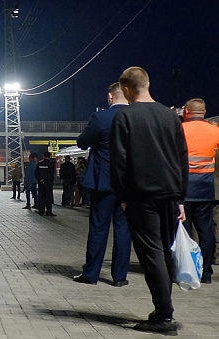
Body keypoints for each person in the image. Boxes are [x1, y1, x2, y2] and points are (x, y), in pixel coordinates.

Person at [110, 67, 188, 334]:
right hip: (169, 195)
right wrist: (181, 199)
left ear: (127, 90)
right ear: (148, 84)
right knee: (163, 253)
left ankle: (164, 316)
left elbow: (119, 161)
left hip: (141, 196)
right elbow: (182, 159)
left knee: (151, 255)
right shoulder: (170, 116)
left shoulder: (125, 116)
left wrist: (122, 197)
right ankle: (162, 308)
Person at [73, 82, 131, 287]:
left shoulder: (102, 117)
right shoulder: (136, 116)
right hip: (129, 185)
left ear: (110, 96)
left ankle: (91, 274)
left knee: (99, 228)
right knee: (123, 229)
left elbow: (82, 141)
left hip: (103, 181)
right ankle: (120, 277)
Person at [181, 98, 219, 284]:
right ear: (204, 113)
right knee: (206, 231)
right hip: (206, 188)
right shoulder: (215, 131)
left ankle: (186, 269)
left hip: (184, 188)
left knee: (185, 231)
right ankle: (206, 273)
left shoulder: (180, 130)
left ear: (186, 112)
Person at [35, 151, 56, 216]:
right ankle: (48, 212)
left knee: (41, 197)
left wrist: (40, 179)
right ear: (49, 156)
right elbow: (51, 174)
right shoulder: (51, 164)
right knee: (48, 197)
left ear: (43, 156)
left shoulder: (39, 164)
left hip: (41, 184)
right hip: (48, 183)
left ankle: (41, 211)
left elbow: (36, 173)